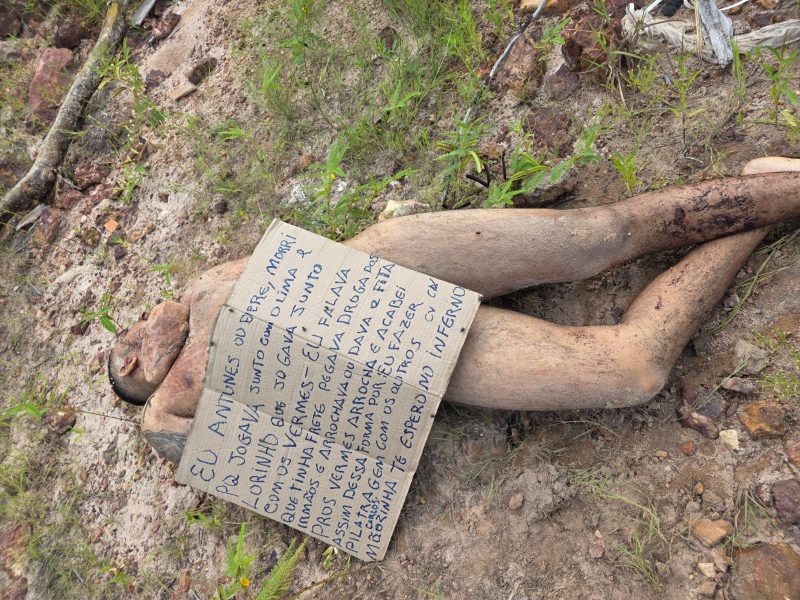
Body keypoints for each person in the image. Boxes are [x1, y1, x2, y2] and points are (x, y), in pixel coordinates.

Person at [109, 156, 800, 463]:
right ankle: (760, 201)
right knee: (630, 370)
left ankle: (783, 187)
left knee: (599, 234)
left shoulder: (200, 290)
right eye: (129, 356)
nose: (139, 334)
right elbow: (189, 443)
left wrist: (165, 329)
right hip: (411, 360)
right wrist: (153, 409)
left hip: (383, 263)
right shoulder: (170, 406)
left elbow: (173, 313)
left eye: (130, 330)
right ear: (139, 378)